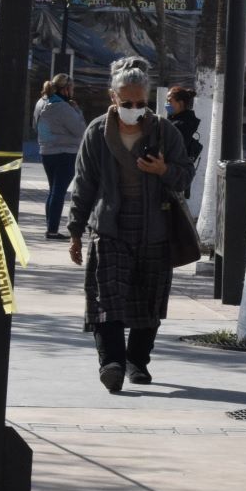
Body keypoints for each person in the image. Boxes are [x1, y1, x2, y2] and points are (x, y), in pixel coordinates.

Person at [67, 57, 193, 393]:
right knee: (106, 297)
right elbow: (84, 184)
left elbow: (185, 176)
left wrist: (163, 171)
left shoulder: (165, 132)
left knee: (148, 300)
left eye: (141, 103)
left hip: (155, 228)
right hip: (109, 228)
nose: (133, 109)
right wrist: (75, 231)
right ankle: (112, 363)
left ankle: (137, 360)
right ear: (113, 98)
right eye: (127, 103)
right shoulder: (96, 132)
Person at [33, 74, 87, 240]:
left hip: (46, 152)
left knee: (53, 191)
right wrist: (77, 109)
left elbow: (35, 125)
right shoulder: (63, 107)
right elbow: (80, 129)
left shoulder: (41, 103)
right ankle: (52, 230)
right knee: (59, 191)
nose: (73, 91)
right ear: (65, 89)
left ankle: (50, 226)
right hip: (65, 153)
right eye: (72, 88)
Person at [165, 85, 202, 188]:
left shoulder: (182, 125)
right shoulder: (175, 120)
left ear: (180, 103)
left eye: (169, 101)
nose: (166, 104)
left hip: (173, 175)